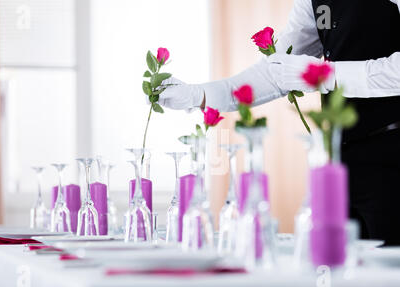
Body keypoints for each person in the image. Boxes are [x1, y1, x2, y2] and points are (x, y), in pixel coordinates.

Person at [157, 0, 400, 245]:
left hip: (392, 160)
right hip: (339, 163)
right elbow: (276, 71)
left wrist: (326, 75)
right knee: (343, 274)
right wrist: (200, 95)